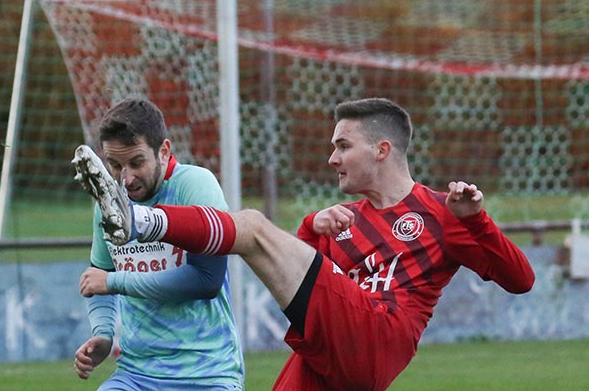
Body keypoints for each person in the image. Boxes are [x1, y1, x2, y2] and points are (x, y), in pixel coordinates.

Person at [74, 97, 535, 391]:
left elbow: (521, 279)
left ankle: (140, 220)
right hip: (330, 349)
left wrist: (476, 220)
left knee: (252, 227)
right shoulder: (345, 219)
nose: (332, 158)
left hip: (378, 335)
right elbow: (297, 288)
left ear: (382, 150)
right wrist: (312, 229)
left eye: (343, 145)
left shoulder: (441, 212)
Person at [71, 96, 244, 390]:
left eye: (136, 162)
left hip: (207, 373)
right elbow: (98, 277)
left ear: (163, 151)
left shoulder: (195, 185)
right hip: (136, 375)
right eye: (115, 165)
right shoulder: (108, 204)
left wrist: (114, 282)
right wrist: (103, 333)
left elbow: (207, 280)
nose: (126, 178)